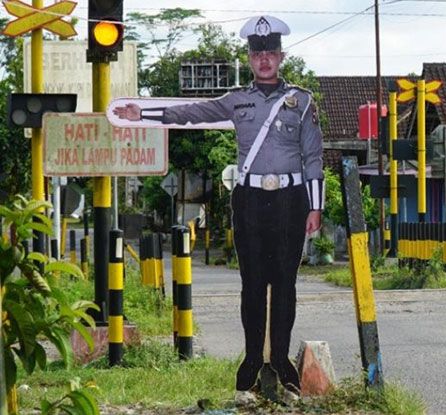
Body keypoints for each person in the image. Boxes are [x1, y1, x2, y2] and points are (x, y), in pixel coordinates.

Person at [113, 15, 324, 398]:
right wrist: (141, 113)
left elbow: (313, 157)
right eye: (257, 54)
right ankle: (249, 363)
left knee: (285, 284)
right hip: (250, 199)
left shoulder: (301, 101)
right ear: (249, 58)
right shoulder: (236, 101)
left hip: (292, 201)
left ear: (280, 56)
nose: (264, 60)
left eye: (270, 53)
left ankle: (279, 360)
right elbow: (192, 112)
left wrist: (316, 207)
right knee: (253, 284)